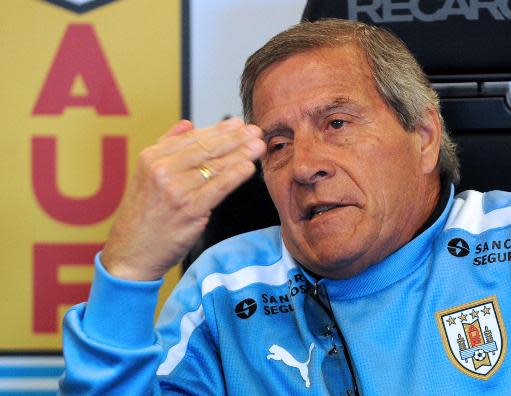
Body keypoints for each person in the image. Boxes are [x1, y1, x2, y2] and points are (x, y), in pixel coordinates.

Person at [59, 19, 511, 395]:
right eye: (278, 144)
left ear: (424, 137)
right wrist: (127, 270)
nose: (304, 166)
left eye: (336, 123)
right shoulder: (223, 288)